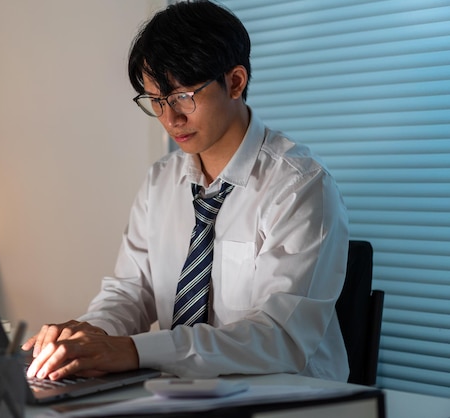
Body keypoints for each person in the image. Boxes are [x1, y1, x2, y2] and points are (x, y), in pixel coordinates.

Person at [24, 0, 349, 383]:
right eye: (157, 102)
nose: (171, 119)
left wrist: (132, 350)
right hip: (181, 393)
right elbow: (132, 290)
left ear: (235, 82)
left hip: (288, 397)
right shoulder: (161, 181)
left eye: (182, 97)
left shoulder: (300, 186)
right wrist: (90, 334)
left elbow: (278, 337)